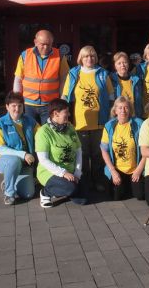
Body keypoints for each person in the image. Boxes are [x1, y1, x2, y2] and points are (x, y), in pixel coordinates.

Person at [62, 46, 114, 192]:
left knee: (98, 154)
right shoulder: (73, 73)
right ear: (80, 58)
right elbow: (65, 96)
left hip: (99, 120)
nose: (89, 59)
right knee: (82, 154)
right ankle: (84, 181)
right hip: (80, 122)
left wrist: (111, 115)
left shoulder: (103, 73)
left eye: (92, 56)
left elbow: (111, 96)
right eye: (86, 56)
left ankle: (98, 180)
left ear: (95, 58)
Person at [0, 91, 38, 205]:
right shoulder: (0, 123)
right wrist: (23, 154)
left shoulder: (30, 120)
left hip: (25, 162)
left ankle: (9, 180)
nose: (17, 109)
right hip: (2, 159)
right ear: (7, 107)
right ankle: (9, 193)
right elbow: (1, 149)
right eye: (13, 106)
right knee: (13, 161)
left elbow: (42, 134)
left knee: (28, 194)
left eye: (20, 106)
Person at [35, 98, 86, 207]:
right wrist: (63, 173)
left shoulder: (70, 127)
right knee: (70, 188)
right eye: (66, 112)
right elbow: (43, 160)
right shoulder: (43, 132)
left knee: (83, 199)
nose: (69, 114)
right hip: (49, 172)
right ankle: (45, 193)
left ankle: (68, 189)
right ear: (55, 114)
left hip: (70, 172)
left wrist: (77, 173)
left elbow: (78, 151)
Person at [13, 29, 70, 125]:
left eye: (49, 44)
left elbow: (64, 80)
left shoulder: (60, 56)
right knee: (29, 134)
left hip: (50, 105)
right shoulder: (25, 55)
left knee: (49, 134)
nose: (46, 47)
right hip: (28, 104)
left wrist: (62, 100)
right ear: (35, 42)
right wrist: (16, 100)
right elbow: (18, 79)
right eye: (42, 44)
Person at [100, 96, 146, 200]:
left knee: (140, 195)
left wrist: (139, 170)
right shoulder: (109, 126)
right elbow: (104, 150)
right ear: (115, 110)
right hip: (118, 168)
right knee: (116, 196)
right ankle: (125, 184)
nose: (123, 111)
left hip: (135, 168)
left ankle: (131, 185)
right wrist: (113, 171)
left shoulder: (139, 124)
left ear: (130, 110)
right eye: (120, 108)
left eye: (126, 107)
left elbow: (147, 149)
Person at [109, 52, 143, 117]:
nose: (122, 65)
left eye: (125, 62)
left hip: (135, 117)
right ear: (115, 66)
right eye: (119, 63)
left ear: (128, 64)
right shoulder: (111, 80)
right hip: (118, 118)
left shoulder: (136, 80)